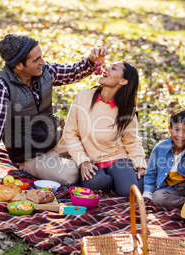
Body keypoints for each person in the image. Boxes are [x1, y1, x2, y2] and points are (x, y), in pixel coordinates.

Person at [0, 34, 108, 188]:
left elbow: (72, 72)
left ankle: (87, 162)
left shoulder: (44, 72)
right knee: (70, 174)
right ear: (19, 65)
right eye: (36, 60)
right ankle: (79, 164)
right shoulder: (0, 88)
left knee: (101, 141)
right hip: (31, 156)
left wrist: (91, 62)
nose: (42, 62)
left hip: (57, 140)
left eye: (41, 56)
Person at [62, 61, 146, 197]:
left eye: (113, 68)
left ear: (123, 81)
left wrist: (140, 164)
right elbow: (70, 133)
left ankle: (128, 178)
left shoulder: (127, 110)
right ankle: (118, 180)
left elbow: (131, 142)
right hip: (91, 159)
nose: (106, 68)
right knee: (95, 182)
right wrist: (82, 161)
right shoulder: (83, 97)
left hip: (116, 156)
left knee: (129, 191)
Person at [142, 107, 185, 208]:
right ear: (170, 129)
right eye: (177, 130)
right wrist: (147, 193)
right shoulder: (160, 149)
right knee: (157, 197)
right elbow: (151, 173)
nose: (180, 135)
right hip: (171, 190)